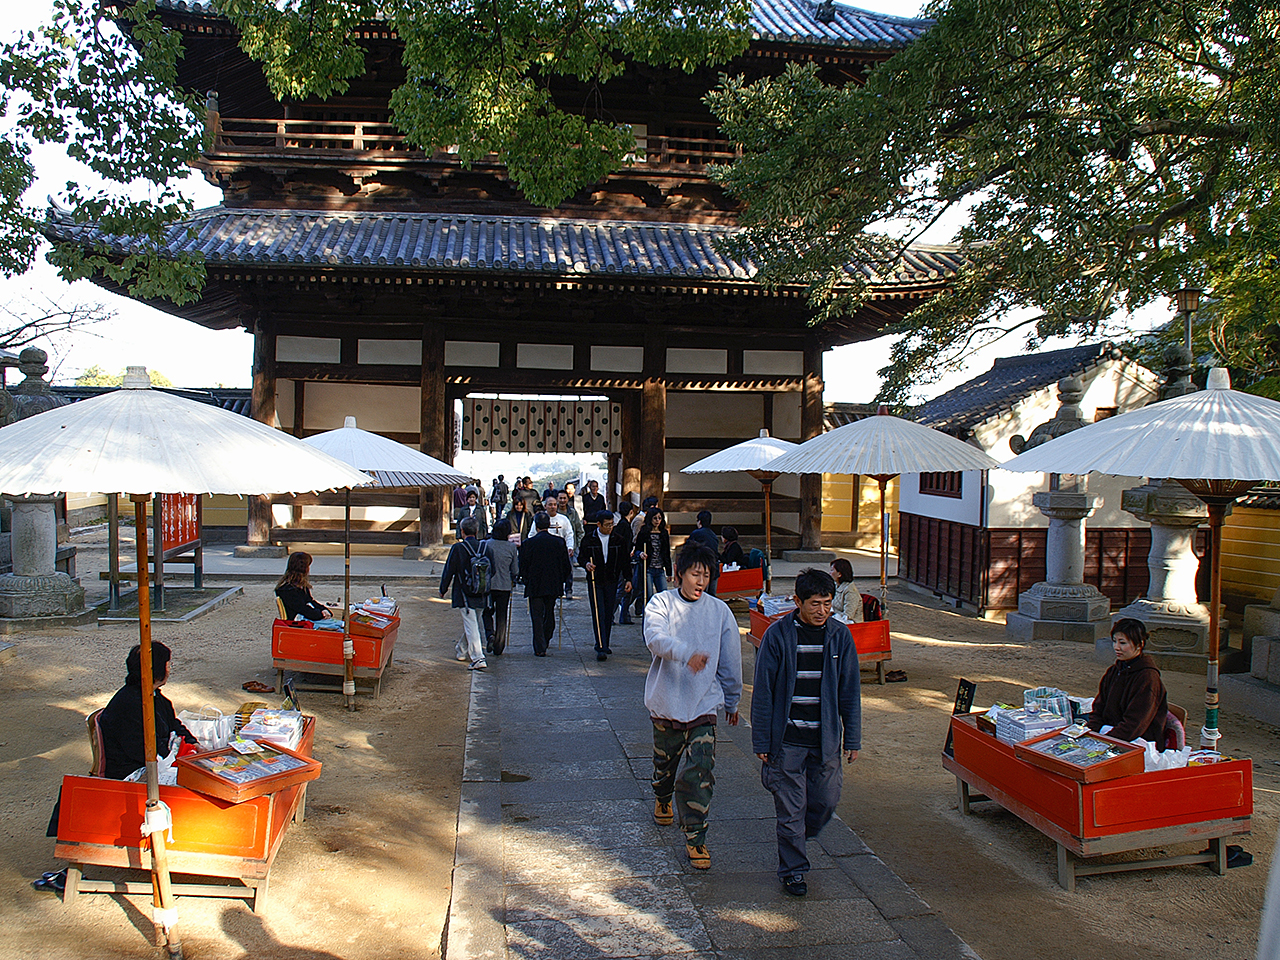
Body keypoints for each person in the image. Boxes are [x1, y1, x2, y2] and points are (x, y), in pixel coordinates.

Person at [36, 641, 198, 892]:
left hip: (154, 761)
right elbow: (143, 753)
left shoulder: (155, 697)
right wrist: (173, 752)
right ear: (156, 669)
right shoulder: (131, 703)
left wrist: (192, 743)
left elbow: (174, 724)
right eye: (167, 664)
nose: (170, 669)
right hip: (130, 773)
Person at [752, 567, 862, 897]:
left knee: (826, 801)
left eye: (828, 603)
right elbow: (764, 691)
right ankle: (794, 871)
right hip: (786, 739)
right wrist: (761, 739)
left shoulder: (840, 637)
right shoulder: (778, 636)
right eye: (815, 603)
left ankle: (799, 833)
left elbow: (849, 691)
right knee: (790, 810)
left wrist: (852, 737)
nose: (822, 611)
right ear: (797, 601)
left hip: (824, 738)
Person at [643, 541, 742, 870]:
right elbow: (654, 639)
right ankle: (661, 795)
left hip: (703, 704)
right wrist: (686, 653)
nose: (701, 581)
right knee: (665, 767)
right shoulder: (661, 603)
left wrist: (732, 697)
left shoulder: (719, 611)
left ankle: (696, 838)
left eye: (706, 574)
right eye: (694, 574)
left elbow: (730, 660)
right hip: (667, 702)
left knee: (700, 771)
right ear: (678, 574)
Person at [1086, 618, 1169, 746]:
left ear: (1140, 644)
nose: (1116, 647)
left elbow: (1135, 725)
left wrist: (1105, 741)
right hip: (1110, 731)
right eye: (1114, 641)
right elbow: (1099, 707)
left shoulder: (1148, 677)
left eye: (1123, 643)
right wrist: (1093, 730)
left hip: (1138, 740)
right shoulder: (1114, 670)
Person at [578, 510, 632, 661]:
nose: (610, 528)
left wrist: (628, 579)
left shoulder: (618, 540)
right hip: (595, 580)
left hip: (612, 579)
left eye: (612, 524)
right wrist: (586, 564)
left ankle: (605, 642)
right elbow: (581, 556)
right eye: (607, 525)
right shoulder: (589, 539)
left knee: (608, 613)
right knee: (598, 612)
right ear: (599, 524)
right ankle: (600, 645)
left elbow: (625, 561)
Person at [518, 512, 572, 656]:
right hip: (553, 583)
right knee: (549, 612)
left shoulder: (528, 544)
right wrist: (561, 579)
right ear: (549, 524)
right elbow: (566, 566)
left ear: (535, 525)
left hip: (535, 584)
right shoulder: (559, 542)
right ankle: (546, 638)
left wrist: (526, 580)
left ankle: (539, 646)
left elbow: (522, 566)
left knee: (536, 615)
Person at [439, 516, 489, 670]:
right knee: (473, 624)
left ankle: (478, 658)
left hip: (463, 591)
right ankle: (462, 649)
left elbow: (449, 570)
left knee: (471, 624)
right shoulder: (485, 547)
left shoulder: (458, 548)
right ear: (477, 530)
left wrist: (443, 588)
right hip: (482, 591)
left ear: (461, 531)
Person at [483, 518, 520, 656]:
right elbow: (515, 570)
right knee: (502, 615)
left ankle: (489, 634)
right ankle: (499, 644)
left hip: (488, 585)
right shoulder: (511, 547)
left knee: (486, 612)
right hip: (504, 585)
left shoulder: (486, 544)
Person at [635, 506, 672, 616]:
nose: (657, 521)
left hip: (660, 568)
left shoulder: (664, 533)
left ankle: (662, 615)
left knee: (663, 593)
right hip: (648, 569)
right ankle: (649, 615)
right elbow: (637, 549)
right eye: (655, 518)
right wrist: (641, 554)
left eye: (659, 518)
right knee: (648, 594)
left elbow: (666, 553)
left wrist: (669, 572)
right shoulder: (644, 532)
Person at [275, 551, 333, 621]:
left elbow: (310, 601)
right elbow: (304, 610)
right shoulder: (288, 590)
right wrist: (321, 614)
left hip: (305, 618)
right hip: (298, 623)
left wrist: (324, 609)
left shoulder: (299, 586)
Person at [544, 493, 576, 600]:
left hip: (562, 550)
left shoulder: (563, 519)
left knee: (568, 570)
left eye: (554, 504)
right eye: (550, 505)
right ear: (546, 506)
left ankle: (568, 589)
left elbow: (569, 534)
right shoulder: (541, 518)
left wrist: (570, 547)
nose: (552, 507)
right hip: (546, 551)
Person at [688, 510, 720, 596]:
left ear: (699, 522)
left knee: (700, 594)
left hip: (701, 568)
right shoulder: (714, 536)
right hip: (713, 568)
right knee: (711, 596)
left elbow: (687, 550)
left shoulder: (696, 534)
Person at [830, 558, 862, 623]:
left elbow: (848, 615)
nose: (830, 573)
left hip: (850, 623)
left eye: (832, 570)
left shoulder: (850, 590)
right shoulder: (836, 586)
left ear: (839, 574)